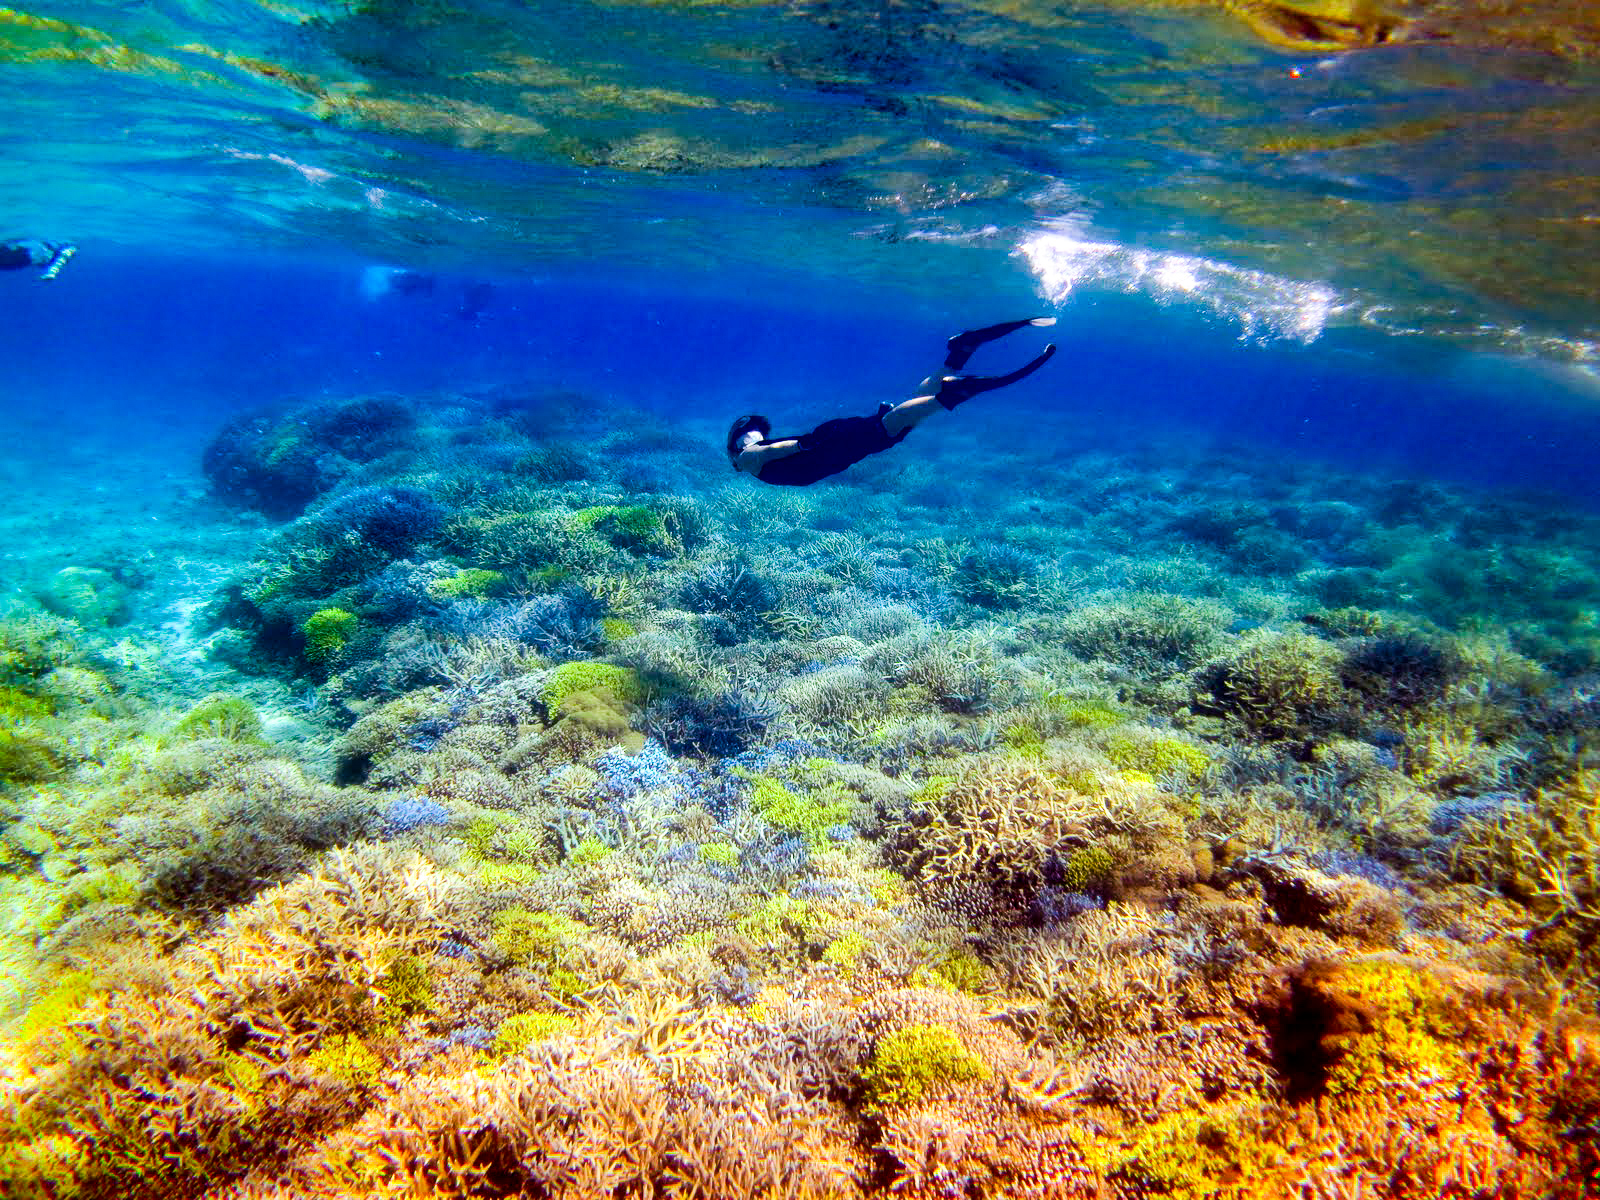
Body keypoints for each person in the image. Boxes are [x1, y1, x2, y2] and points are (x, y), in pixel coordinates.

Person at [727, 317, 1057, 487]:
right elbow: (767, 449)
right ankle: (960, 352)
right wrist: (806, 444)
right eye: (747, 433)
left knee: (891, 428)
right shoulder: (744, 457)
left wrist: (805, 445)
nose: (752, 435)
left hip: (827, 446)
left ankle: (950, 394)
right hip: (827, 447)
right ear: (734, 444)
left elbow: (769, 450)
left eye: (754, 430)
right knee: (901, 418)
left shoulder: (748, 458)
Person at [0, 238, 76, 280]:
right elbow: (60, 261)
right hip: (24, 255)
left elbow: (60, 261)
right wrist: (52, 273)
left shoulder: (65, 248)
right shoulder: (67, 247)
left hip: (23, 254)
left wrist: (52, 273)